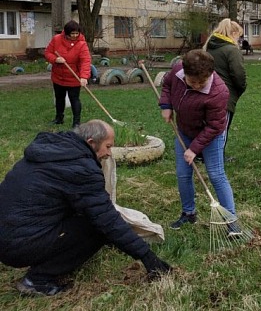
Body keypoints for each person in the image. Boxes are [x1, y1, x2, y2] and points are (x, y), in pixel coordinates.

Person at [0, 120, 171, 297]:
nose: (108, 153)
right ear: (91, 142)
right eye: (108, 146)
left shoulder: (52, 148)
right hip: (17, 245)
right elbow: (107, 219)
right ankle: (37, 280)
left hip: (8, 233)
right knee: (97, 227)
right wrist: (147, 256)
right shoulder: (81, 169)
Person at [160, 49, 242, 236]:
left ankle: (231, 221)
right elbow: (167, 85)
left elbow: (214, 126)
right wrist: (166, 105)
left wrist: (194, 149)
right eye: (192, 81)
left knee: (216, 174)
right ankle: (189, 213)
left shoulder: (219, 92)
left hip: (211, 135)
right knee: (182, 174)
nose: (196, 85)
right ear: (185, 73)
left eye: (201, 82)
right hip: (185, 130)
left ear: (210, 74)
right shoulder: (178, 70)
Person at [203, 19, 247, 153]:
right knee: (222, 127)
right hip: (225, 96)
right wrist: (242, 87)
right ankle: (218, 157)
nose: (239, 40)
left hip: (206, 93)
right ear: (233, 33)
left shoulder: (208, 48)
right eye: (238, 36)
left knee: (208, 126)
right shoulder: (231, 50)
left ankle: (202, 153)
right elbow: (238, 74)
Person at [44, 20, 92, 128]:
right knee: (59, 98)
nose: (75, 36)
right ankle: (59, 118)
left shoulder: (82, 44)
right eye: (72, 34)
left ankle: (76, 123)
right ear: (66, 33)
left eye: (77, 33)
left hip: (73, 77)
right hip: (58, 76)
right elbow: (47, 52)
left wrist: (84, 77)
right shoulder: (56, 39)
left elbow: (86, 60)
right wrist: (56, 59)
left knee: (74, 99)